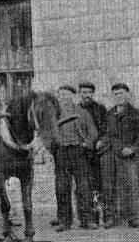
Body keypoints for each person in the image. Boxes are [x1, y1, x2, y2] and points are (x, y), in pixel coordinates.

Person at [100, 83, 139, 229]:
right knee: (108, 186)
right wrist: (101, 141)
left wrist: (132, 148)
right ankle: (110, 217)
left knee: (131, 185)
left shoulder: (136, 113)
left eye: (121, 93)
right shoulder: (109, 114)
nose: (118, 96)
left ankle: (134, 218)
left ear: (127, 94)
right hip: (110, 154)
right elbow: (105, 133)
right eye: (115, 94)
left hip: (127, 155)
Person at [52, 85, 98, 231]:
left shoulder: (82, 113)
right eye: (61, 95)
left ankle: (87, 219)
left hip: (79, 152)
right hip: (62, 153)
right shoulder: (54, 114)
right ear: (58, 97)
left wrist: (87, 143)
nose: (64, 98)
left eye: (67, 95)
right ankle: (65, 221)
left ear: (73, 96)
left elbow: (93, 132)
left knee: (84, 186)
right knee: (62, 187)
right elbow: (47, 134)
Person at [79, 82, 107, 216]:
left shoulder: (100, 109)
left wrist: (101, 141)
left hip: (97, 151)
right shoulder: (76, 110)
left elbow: (106, 128)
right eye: (83, 92)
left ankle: (99, 213)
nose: (86, 95)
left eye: (89, 92)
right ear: (80, 93)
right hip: (81, 152)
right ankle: (86, 215)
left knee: (97, 182)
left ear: (93, 93)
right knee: (83, 183)